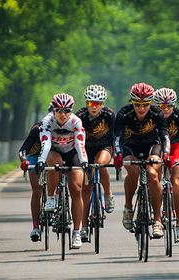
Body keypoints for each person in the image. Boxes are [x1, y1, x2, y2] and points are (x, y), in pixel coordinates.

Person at [21, 93, 89, 249]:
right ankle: (50, 198)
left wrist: (84, 161)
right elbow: (45, 145)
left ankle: (76, 233)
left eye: (67, 110)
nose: (63, 114)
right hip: (55, 151)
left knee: (76, 188)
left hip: (72, 152)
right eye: (59, 110)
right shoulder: (47, 121)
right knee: (55, 162)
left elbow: (80, 145)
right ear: (53, 110)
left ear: (71, 111)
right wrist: (40, 161)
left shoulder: (76, 121)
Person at [113, 82, 172, 238]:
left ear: (150, 102)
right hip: (130, 147)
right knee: (133, 171)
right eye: (137, 104)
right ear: (131, 101)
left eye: (145, 104)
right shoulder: (124, 114)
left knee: (153, 174)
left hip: (152, 146)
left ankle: (157, 220)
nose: (141, 108)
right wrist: (117, 154)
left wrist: (166, 154)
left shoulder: (157, 113)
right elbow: (118, 137)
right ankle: (128, 207)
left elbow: (165, 135)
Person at [75, 84, 116, 241]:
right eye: (91, 103)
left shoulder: (109, 114)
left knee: (100, 164)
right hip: (85, 149)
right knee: (85, 190)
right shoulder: (80, 115)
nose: (94, 107)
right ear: (86, 102)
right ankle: (84, 228)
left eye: (98, 103)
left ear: (103, 103)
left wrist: (116, 152)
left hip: (104, 146)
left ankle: (107, 195)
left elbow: (114, 136)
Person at [153, 88, 179, 243]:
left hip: (175, 148)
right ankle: (154, 211)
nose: (166, 109)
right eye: (162, 106)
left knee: (176, 183)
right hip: (157, 147)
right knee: (154, 178)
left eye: (169, 105)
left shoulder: (178, 115)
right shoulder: (152, 115)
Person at [19, 121, 45, 243]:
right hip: (34, 154)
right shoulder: (37, 130)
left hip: (51, 155)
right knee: (37, 189)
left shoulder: (64, 128)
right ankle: (35, 227)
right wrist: (24, 160)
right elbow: (23, 150)